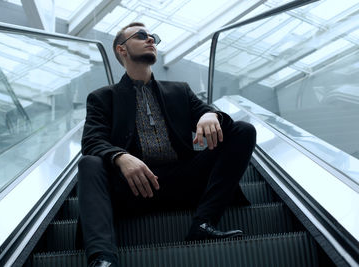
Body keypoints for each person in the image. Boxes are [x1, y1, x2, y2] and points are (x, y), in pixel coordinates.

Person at [77, 22, 256, 267]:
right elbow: (91, 141)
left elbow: (214, 120)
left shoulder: (179, 90)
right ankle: (102, 259)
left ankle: (203, 223)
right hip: (132, 189)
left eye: (154, 37)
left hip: (184, 180)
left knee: (243, 130)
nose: (151, 39)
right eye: (141, 36)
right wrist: (121, 157)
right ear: (121, 49)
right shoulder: (102, 98)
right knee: (89, 163)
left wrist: (210, 114)